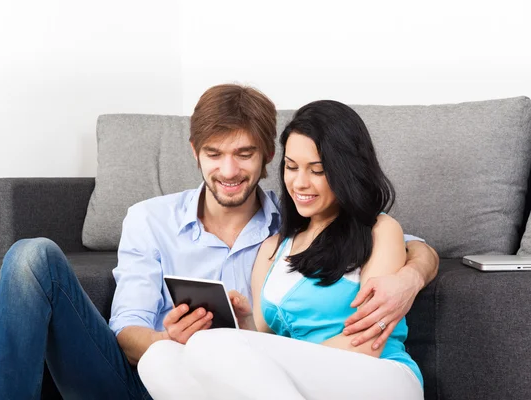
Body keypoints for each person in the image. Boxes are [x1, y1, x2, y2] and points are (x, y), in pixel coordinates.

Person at [0, 85, 438, 399]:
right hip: (153, 378)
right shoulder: (150, 219)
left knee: (212, 349)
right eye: (214, 154)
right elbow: (126, 330)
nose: (228, 170)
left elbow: (395, 238)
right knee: (30, 257)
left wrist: (413, 275)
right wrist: (167, 339)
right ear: (194, 152)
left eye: (244, 154)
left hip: (242, 380)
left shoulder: (295, 219)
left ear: (266, 157)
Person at [137, 100, 427, 400]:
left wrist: (262, 356)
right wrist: (245, 322)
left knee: (210, 346)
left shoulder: (379, 231)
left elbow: (368, 342)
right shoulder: (272, 248)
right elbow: (263, 347)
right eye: (291, 167)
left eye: (317, 170)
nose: (300, 182)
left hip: (377, 374)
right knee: (158, 358)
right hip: (300, 387)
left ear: (346, 171)